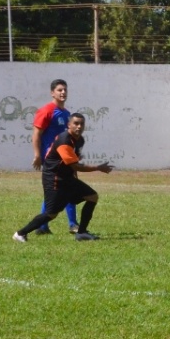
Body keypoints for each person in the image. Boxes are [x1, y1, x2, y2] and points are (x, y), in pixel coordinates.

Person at [13, 113, 113, 242]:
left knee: (92, 197)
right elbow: (75, 165)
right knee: (51, 214)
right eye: (76, 123)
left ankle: (81, 233)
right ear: (69, 125)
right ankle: (20, 233)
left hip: (66, 177)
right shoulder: (64, 140)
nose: (79, 126)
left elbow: (74, 161)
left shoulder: (79, 140)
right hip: (54, 178)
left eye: (82, 124)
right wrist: (98, 167)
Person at [32, 79, 79, 234]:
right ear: (52, 92)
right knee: (65, 188)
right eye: (59, 90)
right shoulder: (46, 111)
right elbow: (36, 134)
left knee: (59, 190)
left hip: (65, 157)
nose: (63, 92)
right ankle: (72, 225)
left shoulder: (66, 114)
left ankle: (43, 226)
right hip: (52, 159)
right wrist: (38, 154)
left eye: (65, 89)